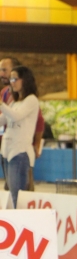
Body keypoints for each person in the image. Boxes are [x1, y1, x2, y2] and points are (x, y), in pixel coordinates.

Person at [0, 57, 44, 191]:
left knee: (17, 193)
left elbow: (16, 116)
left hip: (20, 152)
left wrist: (1, 104)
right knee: (10, 190)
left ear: (24, 80)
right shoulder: (14, 102)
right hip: (7, 150)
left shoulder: (31, 100)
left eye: (14, 79)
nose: (11, 83)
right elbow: (3, 119)